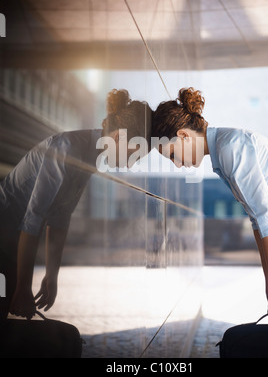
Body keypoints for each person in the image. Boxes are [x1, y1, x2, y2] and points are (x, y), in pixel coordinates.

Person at [0, 89, 153, 320]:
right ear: (118, 138)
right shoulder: (67, 148)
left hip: (11, 238)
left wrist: (52, 276)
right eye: (133, 155)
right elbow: (33, 219)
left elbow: (60, 219)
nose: (131, 165)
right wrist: (23, 287)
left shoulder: (91, 156)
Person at [152, 87, 268, 324]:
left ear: (183, 136)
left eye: (172, 154)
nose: (177, 165)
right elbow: (258, 223)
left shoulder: (231, 148)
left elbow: (267, 219)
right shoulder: (224, 150)